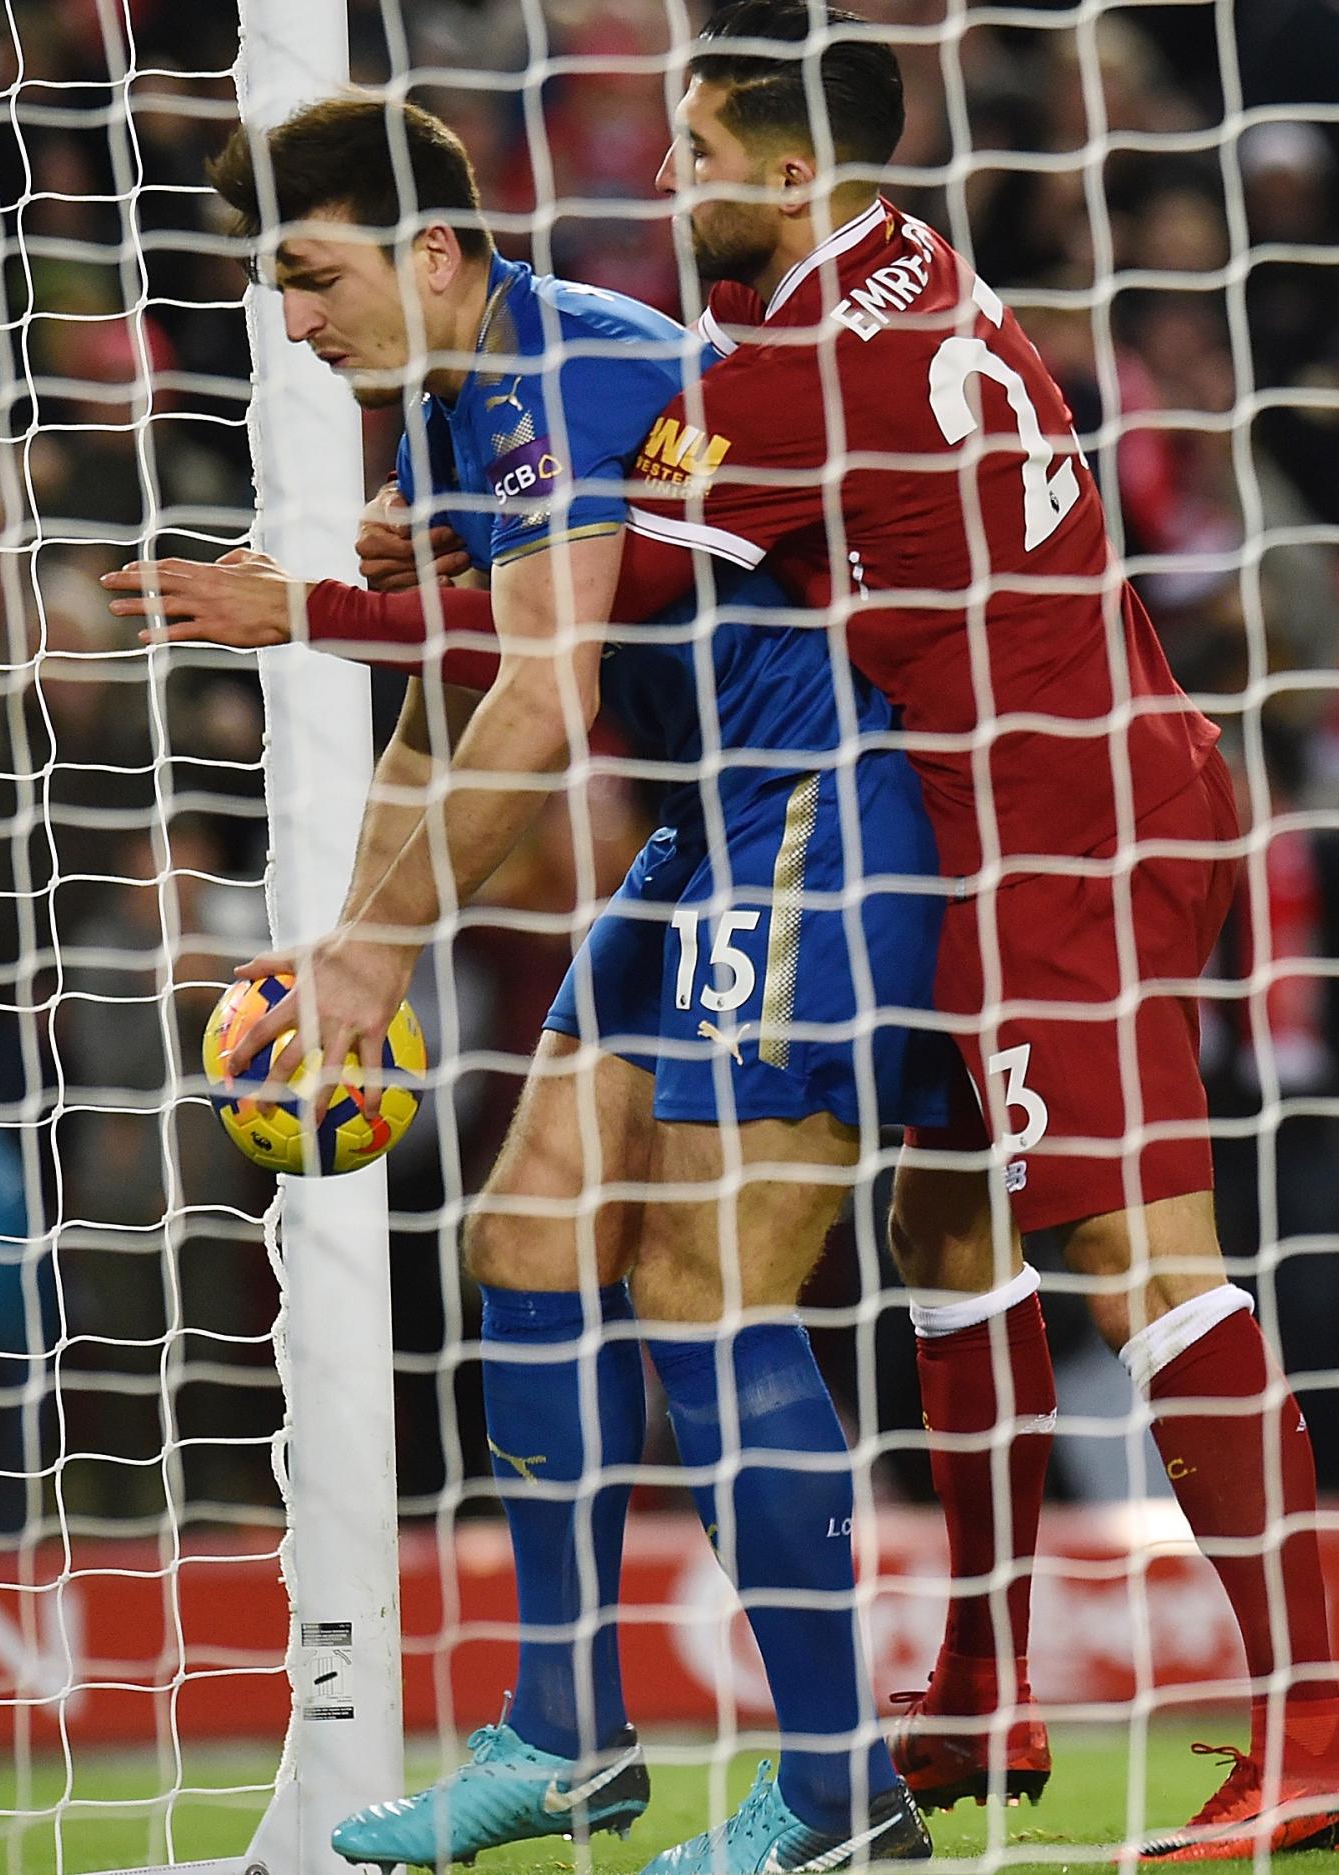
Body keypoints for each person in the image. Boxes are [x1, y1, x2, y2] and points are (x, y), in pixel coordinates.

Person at [104, 97, 941, 1871]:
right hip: (708, 834)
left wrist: (381, 943)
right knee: (529, 1235)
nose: (294, 321)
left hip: (823, 813)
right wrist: (343, 944)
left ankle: (842, 1791)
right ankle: (566, 1735)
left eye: (313, 277)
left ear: (428, 253)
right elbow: (448, 704)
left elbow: (545, 697)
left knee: (705, 1292)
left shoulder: (562, 374)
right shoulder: (462, 402)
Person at [608, 5, 1339, 1861]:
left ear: (794, 176)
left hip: (1063, 831)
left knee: (1147, 1260)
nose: (665, 179)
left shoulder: (797, 373)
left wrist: (330, 591)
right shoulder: (914, 269)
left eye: (698, 155)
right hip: (1054, 789)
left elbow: (599, 590)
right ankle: (983, 1681)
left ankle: (1318, 1728)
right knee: (945, 1216)